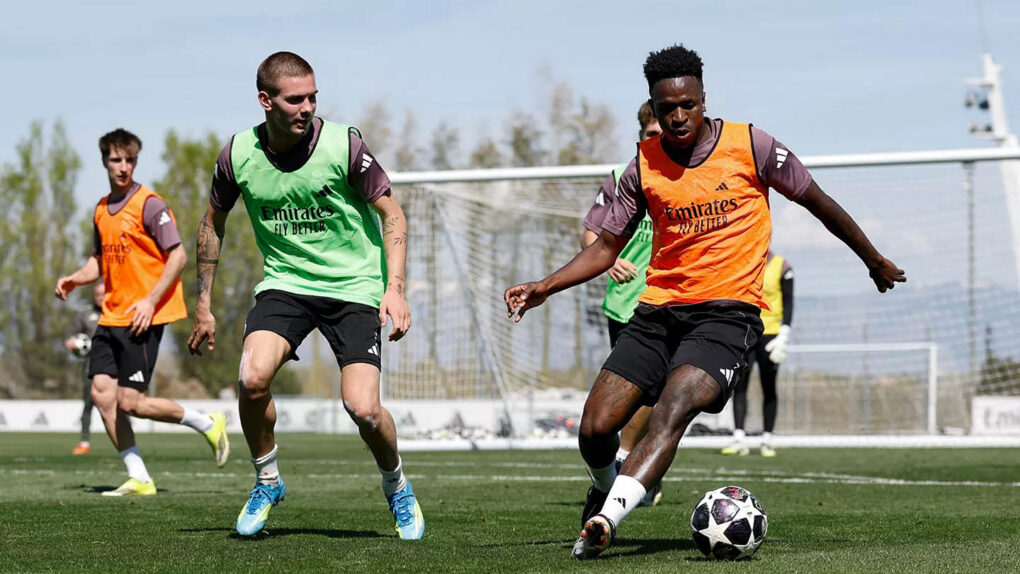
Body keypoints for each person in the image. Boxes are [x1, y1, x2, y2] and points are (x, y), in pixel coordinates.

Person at [503, 44, 905, 560]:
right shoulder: (641, 168)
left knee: (672, 408)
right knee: (595, 428)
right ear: (653, 104)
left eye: (687, 105)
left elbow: (818, 201)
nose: (677, 116)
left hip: (727, 314)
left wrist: (872, 259)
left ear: (703, 99)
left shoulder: (752, 145)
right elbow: (606, 246)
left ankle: (606, 519)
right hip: (657, 312)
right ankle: (605, 488)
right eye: (666, 107)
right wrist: (545, 286)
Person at [187, 52, 422, 539]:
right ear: (265, 101)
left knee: (362, 408)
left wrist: (394, 290)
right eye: (296, 99)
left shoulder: (344, 145)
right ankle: (267, 480)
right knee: (251, 379)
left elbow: (393, 215)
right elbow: (212, 222)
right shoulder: (237, 155)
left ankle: (397, 486)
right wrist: (204, 305)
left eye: (313, 97)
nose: (308, 107)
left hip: (355, 285)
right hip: (286, 284)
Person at [55, 129, 230, 496]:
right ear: (104, 161)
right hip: (111, 316)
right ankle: (140, 477)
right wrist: (75, 279)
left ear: (136, 161)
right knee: (103, 395)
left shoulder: (150, 205)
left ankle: (206, 423)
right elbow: (99, 261)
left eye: (129, 160)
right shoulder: (102, 209)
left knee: (130, 402)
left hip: (144, 316)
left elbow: (178, 256)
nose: (123, 167)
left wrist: (149, 301)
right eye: (116, 160)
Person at [579, 101, 663, 509]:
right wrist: (611, 261)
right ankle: (625, 464)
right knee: (638, 392)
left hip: (672, 303)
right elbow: (591, 233)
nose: (657, 140)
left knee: (660, 393)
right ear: (640, 136)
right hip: (627, 306)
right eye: (650, 135)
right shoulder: (620, 178)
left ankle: (630, 462)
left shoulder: (687, 178)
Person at [722, 250, 793, 457]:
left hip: (771, 335)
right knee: (739, 385)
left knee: (769, 386)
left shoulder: (782, 266)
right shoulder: (743, 261)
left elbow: (788, 301)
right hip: (746, 332)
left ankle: (767, 440)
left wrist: (784, 333)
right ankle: (739, 438)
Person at [64, 282, 104, 455]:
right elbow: (70, 337)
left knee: (119, 403)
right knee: (88, 403)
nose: (100, 298)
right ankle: (84, 442)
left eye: (103, 294)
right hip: (91, 365)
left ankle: (124, 441)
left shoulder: (117, 313)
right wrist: (72, 343)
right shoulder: (85, 315)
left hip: (117, 364)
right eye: (97, 295)